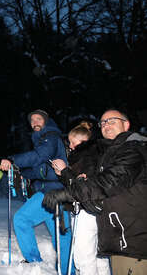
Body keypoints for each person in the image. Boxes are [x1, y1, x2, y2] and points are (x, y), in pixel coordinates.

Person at [43, 110, 147, 275]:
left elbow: (106, 182)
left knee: (85, 258)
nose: (106, 125)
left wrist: (68, 185)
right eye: (103, 122)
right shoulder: (109, 151)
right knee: (96, 260)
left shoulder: (133, 149)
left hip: (133, 239)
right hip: (119, 235)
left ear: (126, 124)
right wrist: (67, 176)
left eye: (112, 121)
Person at [0, 109, 74, 274]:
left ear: (46, 121)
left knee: (60, 236)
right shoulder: (42, 140)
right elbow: (40, 170)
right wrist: (20, 172)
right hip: (47, 192)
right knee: (58, 236)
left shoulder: (51, 137)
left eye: (38, 119)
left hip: (58, 193)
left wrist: (13, 160)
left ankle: (64, 270)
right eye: (32, 120)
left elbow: (39, 156)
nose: (35, 123)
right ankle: (40, 264)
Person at [48, 121, 111, 275]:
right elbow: (74, 184)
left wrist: (65, 171)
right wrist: (62, 174)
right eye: (69, 142)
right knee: (98, 256)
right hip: (89, 209)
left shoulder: (88, 157)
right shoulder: (87, 155)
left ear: (84, 142)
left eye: (73, 142)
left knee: (83, 257)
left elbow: (83, 187)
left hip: (86, 209)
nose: (70, 146)